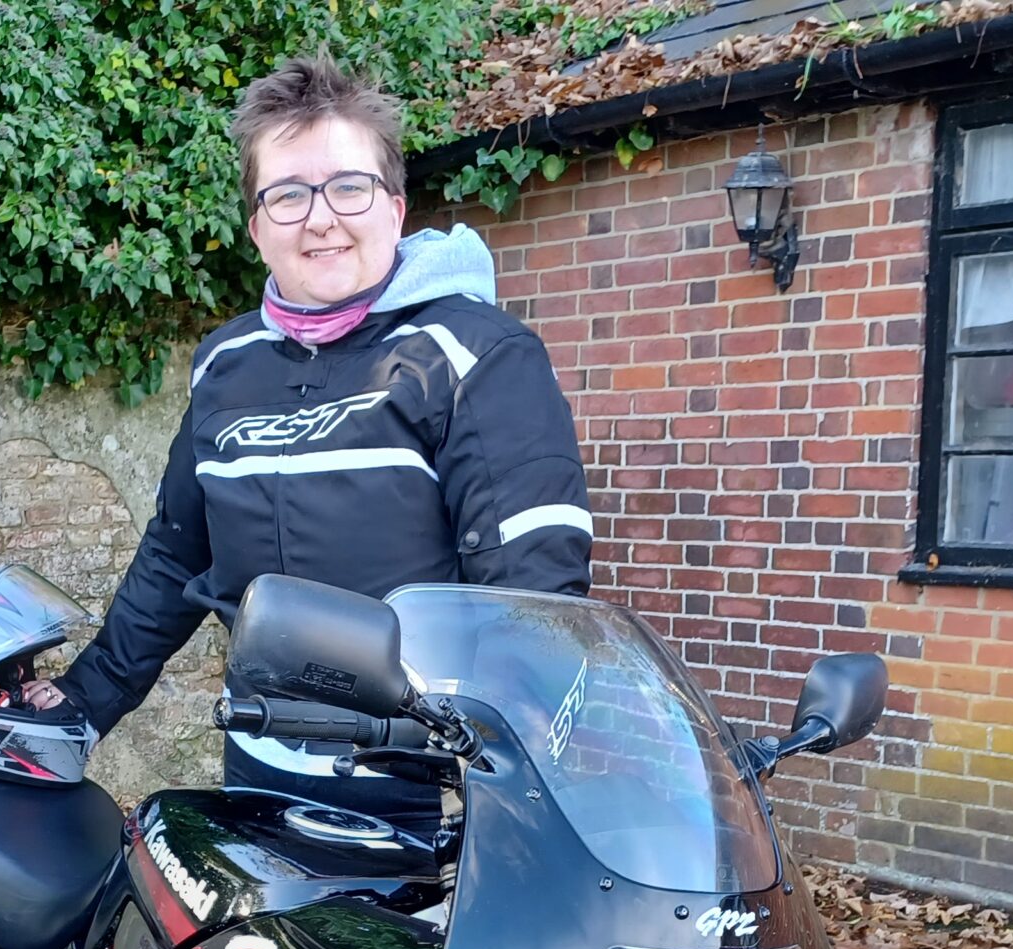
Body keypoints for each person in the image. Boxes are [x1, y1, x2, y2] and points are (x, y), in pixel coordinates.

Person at [32, 52, 595, 830]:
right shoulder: (226, 363)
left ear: (395, 206)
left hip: (426, 789)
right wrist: (85, 701)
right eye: (289, 195)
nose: (321, 217)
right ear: (258, 227)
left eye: (348, 187)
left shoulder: (474, 354)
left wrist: (514, 783)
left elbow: (531, 597)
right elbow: (175, 553)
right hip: (258, 762)